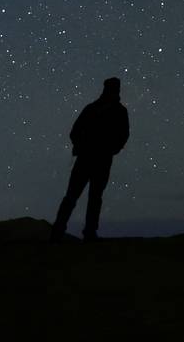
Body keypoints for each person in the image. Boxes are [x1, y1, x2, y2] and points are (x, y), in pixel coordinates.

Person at [52, 77, 130, 241]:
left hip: (87, 158)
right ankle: (88, 232)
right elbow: (123, 135)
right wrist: (111, 149)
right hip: (101, 159)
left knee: (74, 195)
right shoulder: (118, 111)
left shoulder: (92, 109)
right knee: (93, 197)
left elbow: (75, 132)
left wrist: (82, 146)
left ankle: (59, 229)